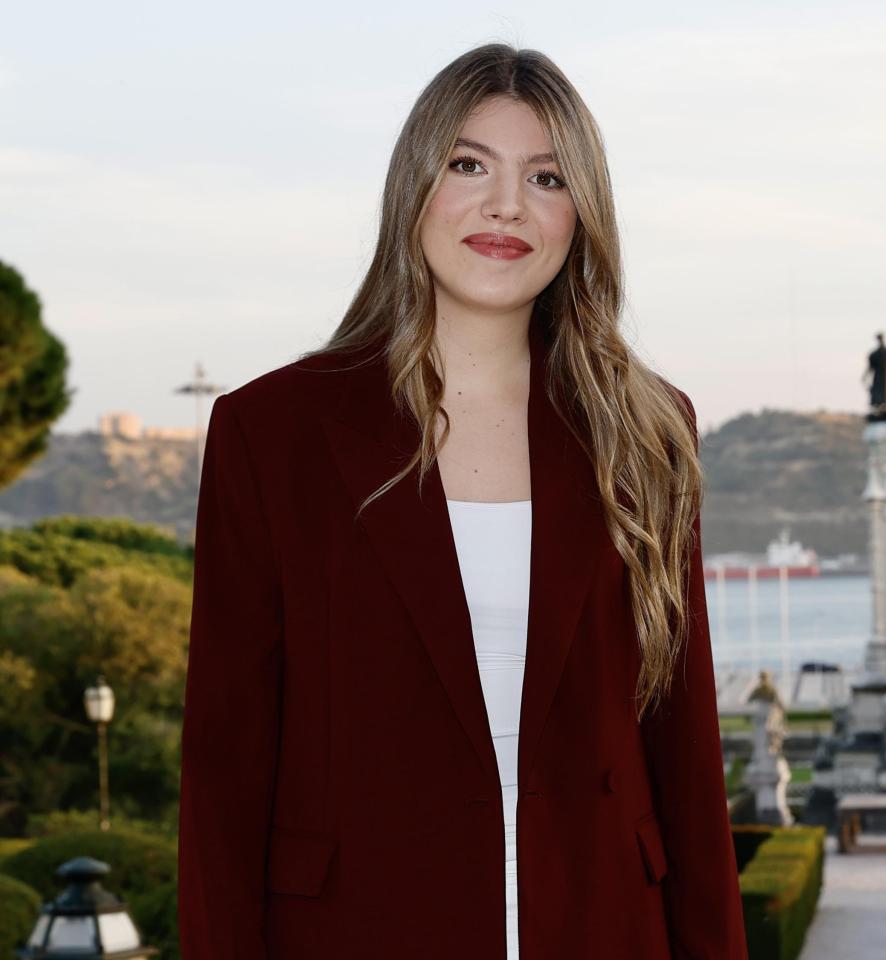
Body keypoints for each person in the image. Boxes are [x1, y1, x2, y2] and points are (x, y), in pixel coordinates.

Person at [177, 44, 745, 958]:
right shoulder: (270, 432)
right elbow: (225, 769)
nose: (506, 205)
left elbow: (684, 754)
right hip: (354, 930)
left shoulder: (647, 429)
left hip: (605, 925)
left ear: (581, 216)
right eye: (469, 164)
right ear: (416, 187)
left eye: (548, 177)